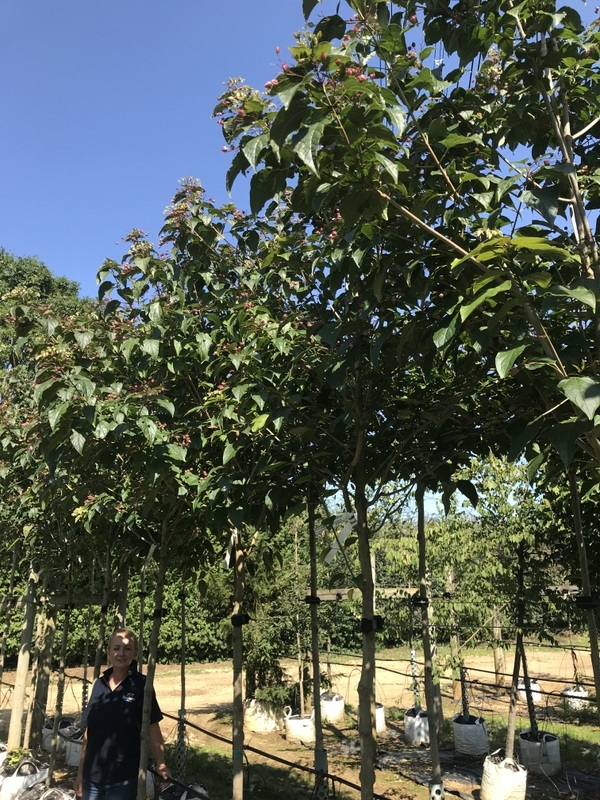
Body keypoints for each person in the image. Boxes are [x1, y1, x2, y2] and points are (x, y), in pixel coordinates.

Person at [74, 628, 170, 800]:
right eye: (116, 648)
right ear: (109, 653)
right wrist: (80, 774)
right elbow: (89, 732)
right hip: (92, 777)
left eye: (127, 648)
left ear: (135, 653)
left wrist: (161, 764)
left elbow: (152, 726)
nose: (121, 653)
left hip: (123, 779)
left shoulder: (142, 685)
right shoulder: (99, 685)